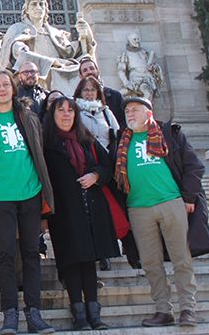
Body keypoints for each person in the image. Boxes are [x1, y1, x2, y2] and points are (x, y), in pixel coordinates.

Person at [0, 70, 55, 335]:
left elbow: (38, 153)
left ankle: (34, 313)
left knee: (31, 253)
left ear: (14, 88)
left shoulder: (28, 117)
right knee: (5, 254)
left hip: (29, 191)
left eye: (7, 84)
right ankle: (10, 315)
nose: (3, 89)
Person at [115, 97, 206, 327]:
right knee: (150, 263)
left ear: (149, 113)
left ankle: (187, 308)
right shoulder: (121, 141)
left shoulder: (169, 134)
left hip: (171, 203)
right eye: (127, 111)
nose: (130, 114)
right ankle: (163, 310)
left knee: (181, 259)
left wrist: (188, 197)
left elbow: (194, 166)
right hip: (138, 208)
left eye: (135, 109)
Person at [42, 96, 120, 330]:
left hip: (90, 208)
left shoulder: (86, 139)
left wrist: (95, 175)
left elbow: (107, 165)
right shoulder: (46, 144)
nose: (66, 114)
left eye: (70, 110)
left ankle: (94, 314)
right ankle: (79, 314)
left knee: (88, 262)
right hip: (63, 212)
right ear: (52, 115)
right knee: (70, 263)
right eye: (61, 110)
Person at [0, 0, 96, 95]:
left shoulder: (55, 32)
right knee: (50, 72)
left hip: (60, 67)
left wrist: (85, 34)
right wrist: (52, 62)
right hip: (32, 72)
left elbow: (71, 52)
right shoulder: (17, 29)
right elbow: (20, 53)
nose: (38, 7)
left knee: (81, 67)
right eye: (34, 4)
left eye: (41, 4)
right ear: (27, 10)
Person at [74, 76, 120, 152]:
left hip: (107, 157)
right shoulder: (75, 112)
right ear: (80, 92)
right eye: (86, 90)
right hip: (86, 158)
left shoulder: (106, 112)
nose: (89, 93)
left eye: (93, 90)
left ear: (97, 93)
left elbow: (117, 134)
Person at [78, 57, 124, 128]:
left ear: (98, 71)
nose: (89, 72)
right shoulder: (76, 102)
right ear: (80, 76)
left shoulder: (115, 96)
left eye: (92, 68)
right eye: (85, 70)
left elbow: (123, 121)